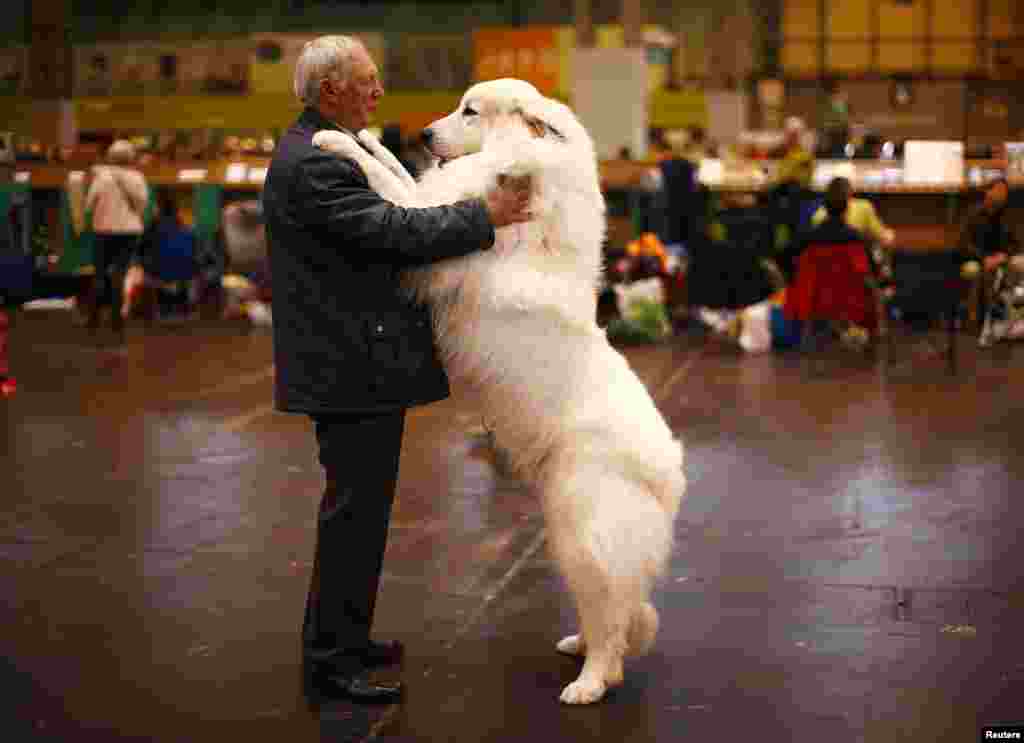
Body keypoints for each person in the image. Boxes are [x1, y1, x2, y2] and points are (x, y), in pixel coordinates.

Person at [261, 35, 532, 704]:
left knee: (364, 512)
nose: (380, 92)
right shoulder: (316, 164)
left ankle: (347, 638)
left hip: (360, 359)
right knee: (353, 514)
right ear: (330, 92)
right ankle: (331, 658)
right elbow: (390, 230)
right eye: (368, 81)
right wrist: (483, 216)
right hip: (347, 365)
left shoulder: (337, 148)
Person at [84, 139, 149, 345]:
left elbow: (89, 204)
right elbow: (143, 203)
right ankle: (116, 320)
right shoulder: (137, 177)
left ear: (111, 157)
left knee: (100, 273)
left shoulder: (102, 178)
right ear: (131, 158)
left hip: (103, 230)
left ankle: (93, 317)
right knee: (120, 274)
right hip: (129, 231)